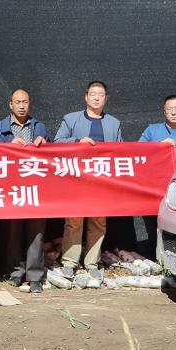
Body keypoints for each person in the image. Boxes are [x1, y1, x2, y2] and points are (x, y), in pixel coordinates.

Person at [54, 81, 122, 280]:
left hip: (102, 180)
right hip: (76, 179)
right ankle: (70, 262)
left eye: (100, 94)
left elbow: (120, 150)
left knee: (99, 221)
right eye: (93, 94)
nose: (96, 98)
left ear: (106, 98)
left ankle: (92, 262)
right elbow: (57, 142)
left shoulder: (114, 123)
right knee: (74, 220)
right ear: (86, 97)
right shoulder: (71, 119)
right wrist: (77, 142)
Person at [0, 88, 49, 293]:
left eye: (25, 102)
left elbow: (50, 156)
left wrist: (45, 144)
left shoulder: (39, 127)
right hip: (11, 188)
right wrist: (8, 145)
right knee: (12, 232)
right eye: (18, 102)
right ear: (10, 105)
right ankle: (15, 272)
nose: (22, 106)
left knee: (36, 233)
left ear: (29, 104)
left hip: (34, 188)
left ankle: (35, 277)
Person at [135, 95, 176, 257]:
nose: (173, 112)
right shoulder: (152, 130)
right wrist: (159, 146)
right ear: (164, 112)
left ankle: (174, 259)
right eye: (169, 109)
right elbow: (138, 151)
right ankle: (153, 258)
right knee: (151, 225)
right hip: (151, 186)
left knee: (173, 226)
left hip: (175, 190)